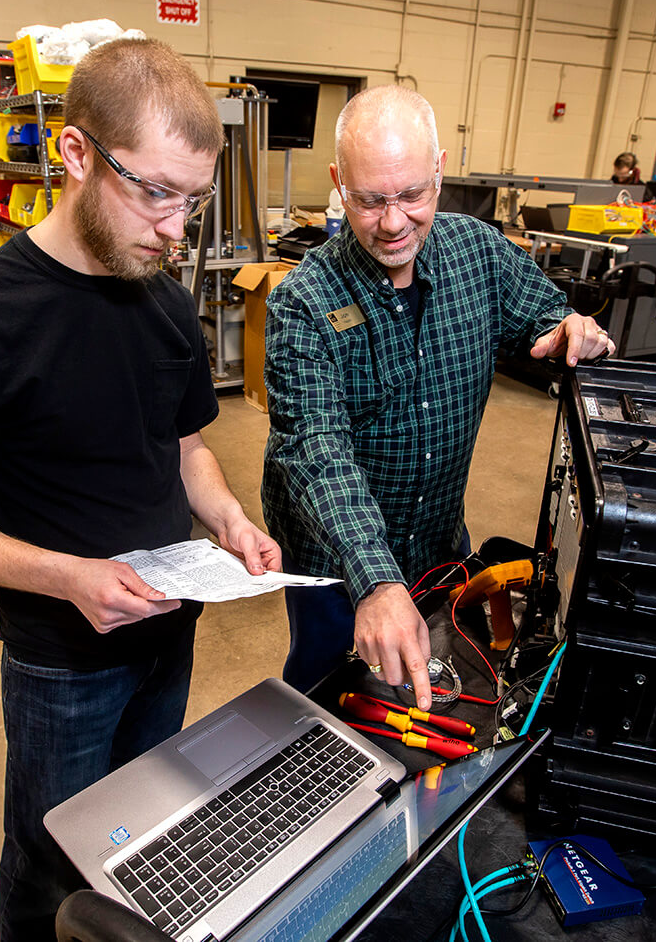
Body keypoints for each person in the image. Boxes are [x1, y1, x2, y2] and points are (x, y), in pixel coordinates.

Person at [0, 38, 281, 941]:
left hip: (170, 632)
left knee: (142, 847)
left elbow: (184, 447)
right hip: (61, 662)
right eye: (154, 192)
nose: (176, 228)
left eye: (193, 200)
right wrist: (70, 577)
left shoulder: (167, 303)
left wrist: (226, 518)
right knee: (48, 863)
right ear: (73, 153)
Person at [261, 85, 612, 712]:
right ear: (339, 182)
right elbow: (316, 451)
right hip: (336, 564)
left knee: (445, 690)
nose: (393, 222)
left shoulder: (479, 253)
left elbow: (544, 317)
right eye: (369, 200)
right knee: (324, 701)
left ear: (440, 171)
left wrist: (568, 329)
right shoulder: (303, 303)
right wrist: (375, 581)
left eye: (412, 195)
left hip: (439, 542)